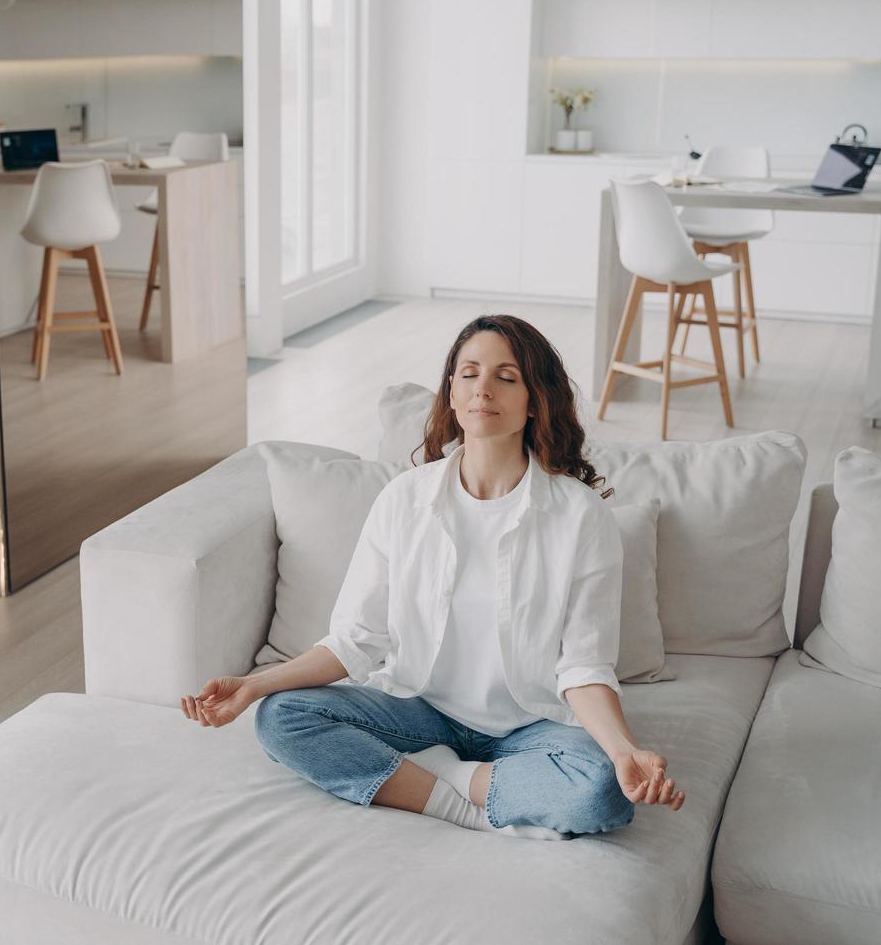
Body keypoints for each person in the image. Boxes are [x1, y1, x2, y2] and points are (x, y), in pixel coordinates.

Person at [178, 315, 685, 839]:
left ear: (536, 400)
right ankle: (466, 799)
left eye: (506, 377)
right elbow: (356, 641)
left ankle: (442, 777)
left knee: (600, 790)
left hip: (533, 725)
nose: (482, 389)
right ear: (451, 390)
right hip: (418, 711)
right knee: (281, 717)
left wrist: (625, 751)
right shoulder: (405, 499)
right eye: (468, 374)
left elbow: (583, 667)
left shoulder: (581, 516)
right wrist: (251, 686)